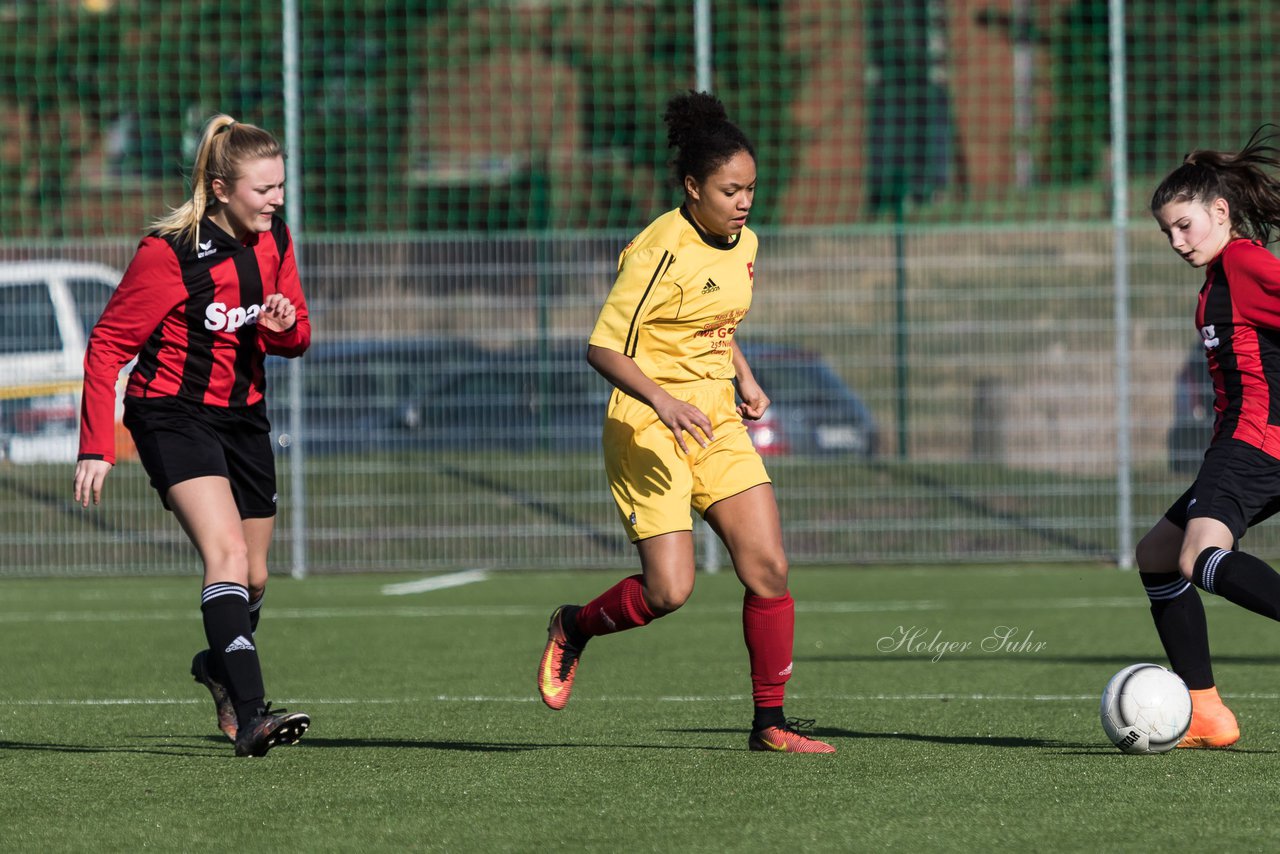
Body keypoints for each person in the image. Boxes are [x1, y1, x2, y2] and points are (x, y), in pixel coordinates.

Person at [536, 91, 835, 754]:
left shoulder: (744, 242)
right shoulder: (656, 252)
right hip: (648, 425)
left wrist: (746, 378)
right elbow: (603, 348)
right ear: (693, 187)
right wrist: (665, 403)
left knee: (769, 569)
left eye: (751, 189)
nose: (744, 202)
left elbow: (712, 324)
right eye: (731, 190)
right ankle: (573, 627)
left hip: (717, 421)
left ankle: (770, 724)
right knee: (669, 590)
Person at [73, 114, 311, 758]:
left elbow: (296, 339)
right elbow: (107, 347)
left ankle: (217, 663)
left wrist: (283, 325)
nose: (277, 200)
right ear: (222, 187)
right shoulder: (168, 251)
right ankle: (253, 713)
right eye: (263, 190)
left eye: (280, 187)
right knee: (227, 557)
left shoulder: (276, 241)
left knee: (256, 577)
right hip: (170, 414)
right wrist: (96, 445)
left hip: (244, 416)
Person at [1137, 127, 1280, 749]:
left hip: (1254, 442)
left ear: (1220, 212)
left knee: (1197, 558)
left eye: (1186, 224)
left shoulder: (1246, 263)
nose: (1176, 240)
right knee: (1157, 555)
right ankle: (1206, 712)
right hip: (1244, 443)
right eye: (1167, 231)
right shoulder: (1220, 276)